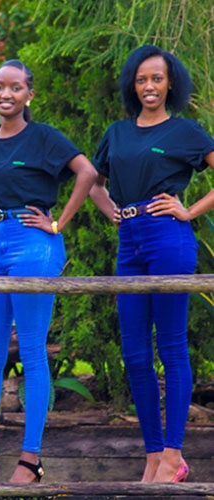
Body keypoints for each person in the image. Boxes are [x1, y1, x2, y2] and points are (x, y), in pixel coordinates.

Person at [0, 60, 97, 484]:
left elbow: (87, 173)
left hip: (34, 243)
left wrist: (57, 224)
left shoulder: (43, 137)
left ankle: (29, 461)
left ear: (28, 95)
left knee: (33, 352)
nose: (5, 94)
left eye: (14, 88)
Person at [90, 45, 214, 483]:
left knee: (172, 346)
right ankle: (152, 454)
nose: (149, 87)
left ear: (170, 84)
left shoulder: (186, 132)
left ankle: (173, 456)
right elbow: (93, 183)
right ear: (132, 84)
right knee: (136, 353)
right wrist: (113, 211)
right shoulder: (117, 133)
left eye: (157, 79)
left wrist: (189, 211)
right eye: (142, 79)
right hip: (130, 241)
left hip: (169, 239)